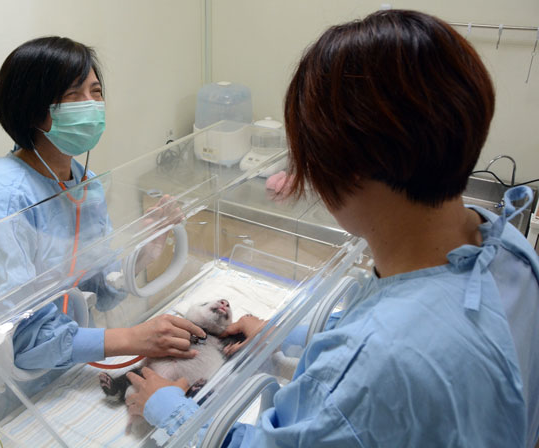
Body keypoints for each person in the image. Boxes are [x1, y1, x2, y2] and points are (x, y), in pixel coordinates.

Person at [124, 10, 539, 448]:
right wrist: (288, 332)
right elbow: (402, 316)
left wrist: (169, 408)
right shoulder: (505, 244)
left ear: (348, 167)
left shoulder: (374, 364)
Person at [0, 36, 205, 373]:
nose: (91, 104)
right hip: (23, 382)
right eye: (73, 95)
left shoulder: (83, 182)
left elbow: (98, 284)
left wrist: (147, 248)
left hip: (72, 357)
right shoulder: (3, 200)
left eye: (96, 92)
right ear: (32, 108)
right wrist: (131, 338)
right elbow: (19, 340)